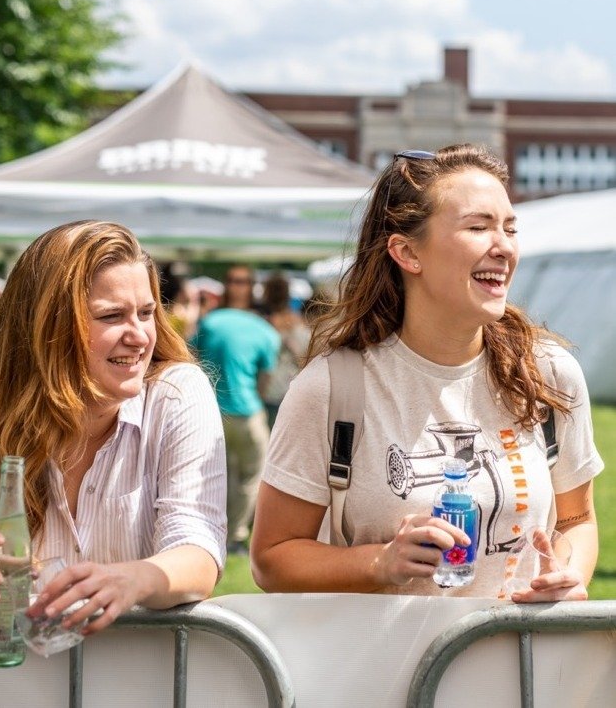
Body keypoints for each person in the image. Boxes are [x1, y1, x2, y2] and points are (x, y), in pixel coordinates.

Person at [251, 144, 603, 601]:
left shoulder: (548, 373)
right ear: (406, 252)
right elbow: (271, 558)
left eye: (510, 228)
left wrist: (569, 573)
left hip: (523, 667)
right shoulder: (332, 386)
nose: (503, 247)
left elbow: (577, 521)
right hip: (387, 669)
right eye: (478, 227)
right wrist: (380, 562)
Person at [0, 221, 227, 636]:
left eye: (146, 313)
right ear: (47, 326)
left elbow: (197, 549)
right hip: (3, 681)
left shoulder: (177, 393)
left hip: (137, 678)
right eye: (112, 316)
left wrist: (135, 579)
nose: (141, 337)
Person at [192, 264, 280, 554]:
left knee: (212, 476)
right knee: (251, 476)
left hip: (211, 413)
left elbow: (190, 359)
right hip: (247, 412)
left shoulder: (210, 323)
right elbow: (265, 379)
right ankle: (236, 537)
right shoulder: (266, 331)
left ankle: (207, 529)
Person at [260, 273, 311, 428]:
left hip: (267, 391)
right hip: (292, 390)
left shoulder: (262, 324)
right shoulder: (300, 323)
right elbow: (307, 358)